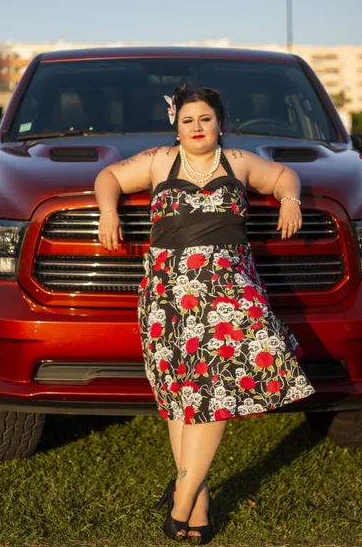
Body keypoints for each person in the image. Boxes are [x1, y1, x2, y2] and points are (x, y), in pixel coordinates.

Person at [94, 85, 315, 545]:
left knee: (213, 390)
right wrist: (107, 212)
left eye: (205, 119)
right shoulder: (159, 161)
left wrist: (290, 199)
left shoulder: (240, 161)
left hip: (229, 292)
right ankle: (199, 502)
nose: (196, 127)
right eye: (188, 120)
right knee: (181, 396)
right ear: (177, 126)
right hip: (168, 296)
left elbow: (284, 176)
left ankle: (179, 503)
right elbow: (109, 177)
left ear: (220, 122)